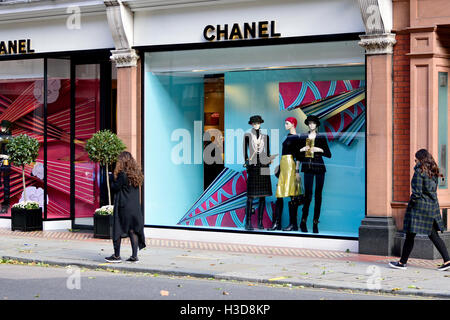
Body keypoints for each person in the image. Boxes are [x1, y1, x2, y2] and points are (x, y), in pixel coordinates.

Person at [389, 149, 450, 271]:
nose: (414, 160)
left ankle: (402, 263)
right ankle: (447, 260)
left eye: (415, 158)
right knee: (433, 235)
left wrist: (410, 205)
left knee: (410, 236)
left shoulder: (419, 172)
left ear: (420, 159)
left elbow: (416, 193)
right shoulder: (433, 171)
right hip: (431, 207)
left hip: (419, 209)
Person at [105, 151, 146, 263]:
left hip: (123, 206)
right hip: (135, 207)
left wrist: (110, 178)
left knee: (117, 229)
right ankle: (134, 256)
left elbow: (115, 188)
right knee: (133, 230)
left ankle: (117, 256)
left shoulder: (123, 175)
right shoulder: (137, 174)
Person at [298, 115, 331, 233]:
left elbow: (328, 153)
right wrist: (302, 150)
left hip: (319, 167)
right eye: (310, 123)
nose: (311, 125)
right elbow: (298, 155)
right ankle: (303, 221)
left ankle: (315, 222)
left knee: (318, 195)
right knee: (308, 195)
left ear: (317, 125)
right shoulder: (303, 137)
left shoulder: (321, 137)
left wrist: (318, 149)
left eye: (313, 123)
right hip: (307, 167)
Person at [269, 117, 303, 231]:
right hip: (284, 164)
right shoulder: (288, 137)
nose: (285, 125)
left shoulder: (297, 138)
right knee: (279, 195)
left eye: (287, 123)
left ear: (293, 124)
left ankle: (293, 224)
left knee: (292, 194)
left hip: (290, 165)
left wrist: (297, 170)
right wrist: (279, 167)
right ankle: (277, 223)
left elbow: (298, 156)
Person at [243, 115, 273, 230]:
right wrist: (247, 164)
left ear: (260, 123)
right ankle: (248, 222)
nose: (256, 125)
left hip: (264, 165)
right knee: (251, 195)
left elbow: (268, 151)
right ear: (251, 124)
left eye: (258, 123)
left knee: (263, 195)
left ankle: (260, 222)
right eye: (254, 123)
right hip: (253, 165)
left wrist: (268, 162)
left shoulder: (265, 137)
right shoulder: (247, 136)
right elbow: (245, 152)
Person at [0, 120, 12, 213]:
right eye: (2, 126)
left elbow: (11, 151)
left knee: (6, 184)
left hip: (6, 162)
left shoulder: (10, 137)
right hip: (2, 160)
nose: (2, 128)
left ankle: (5, 205)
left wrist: (6, 156)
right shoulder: (1, 135)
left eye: (4, 127)